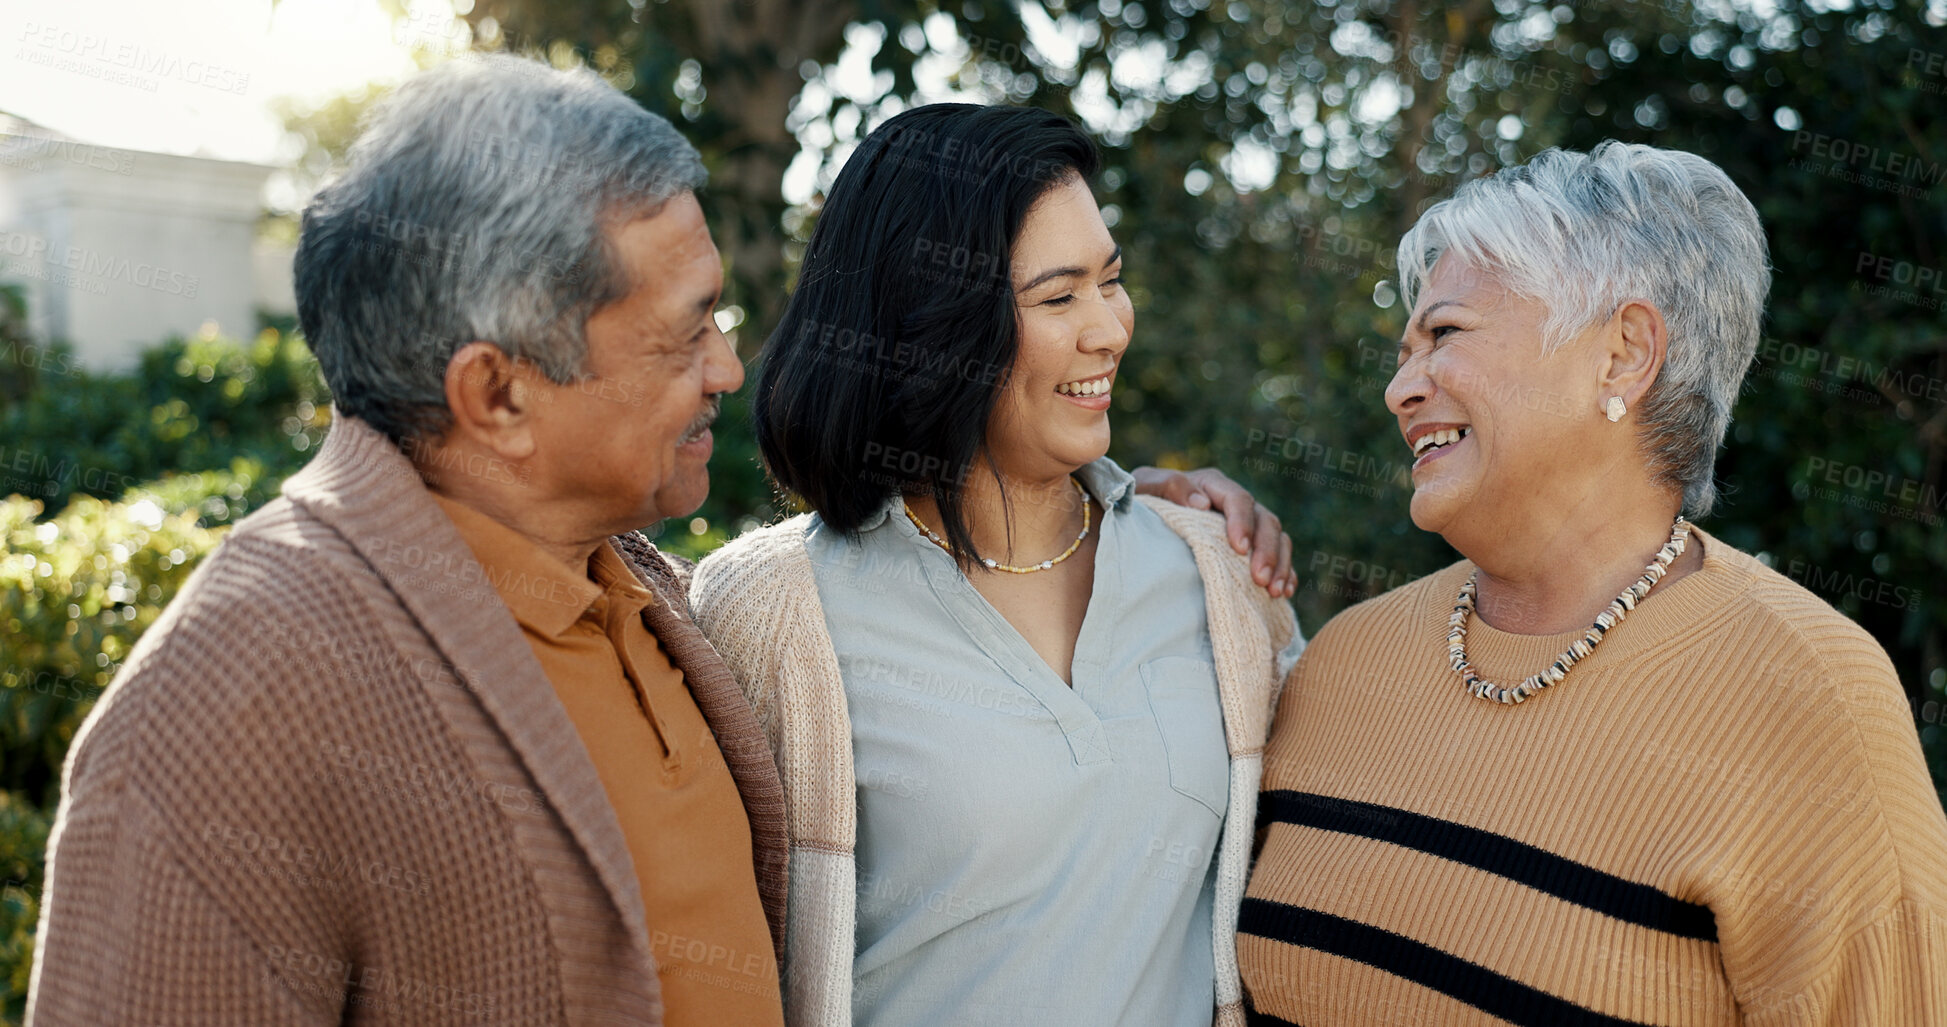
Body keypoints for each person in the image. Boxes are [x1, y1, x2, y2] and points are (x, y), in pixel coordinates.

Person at [27, 56, 1289, 1025]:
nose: (732, 369)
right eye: (683, 335)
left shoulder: (659, 611)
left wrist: (1148, 498)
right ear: (497, 394)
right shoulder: (234, 695)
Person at [1239, 141, 1947, 1024]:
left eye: (1444, 334)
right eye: (1404, 349)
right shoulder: (1343, 662)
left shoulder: (1813, 698)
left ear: (1622, 354)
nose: (1400, 388)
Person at [690, 103, 1304, 1027]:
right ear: (932, 326)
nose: (1108, 330)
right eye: (1058, 298)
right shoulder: (774, 610)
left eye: (1112, 280)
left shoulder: (1215, 572)